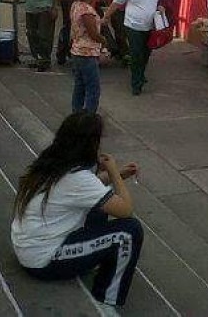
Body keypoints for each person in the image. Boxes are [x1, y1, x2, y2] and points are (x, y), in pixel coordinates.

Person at [11, 112, 143, 308]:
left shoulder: (55, 161)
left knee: (101, 203)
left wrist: (120, 174)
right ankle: (108, 297)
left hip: (30, 246)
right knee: (130, 231)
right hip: (43, 260)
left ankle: (89, 258)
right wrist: (114, 171)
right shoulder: (78, 178)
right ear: (90, 144)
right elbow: (126, 210)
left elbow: (87, 189)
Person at [103, 0, 168, 96]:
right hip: (133, 26)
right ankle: (136, 83)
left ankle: (140, 74)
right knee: (136, 54)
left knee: (146, 54)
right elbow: (117, 3)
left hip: (150, 27)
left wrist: (161, 6)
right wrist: (106, 17)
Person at [70, 0, 106, 113]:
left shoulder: (76, 5)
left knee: (79, 86)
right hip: (87, 53)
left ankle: (77, 113)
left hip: (77, 51)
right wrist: (104, 40)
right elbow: (93, 34)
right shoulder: (86, 10)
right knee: (93, 88)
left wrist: (100, 22)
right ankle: (89, 117)